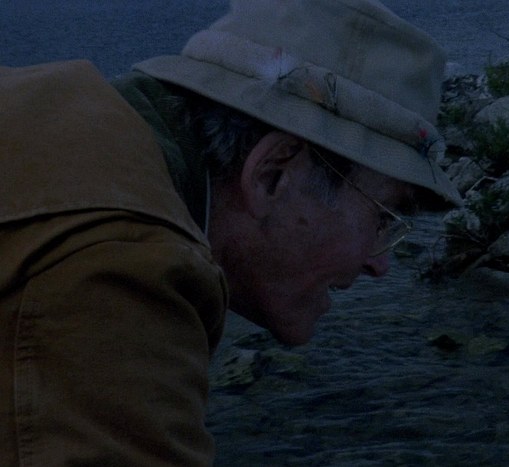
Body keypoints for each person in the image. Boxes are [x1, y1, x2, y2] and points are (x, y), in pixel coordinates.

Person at [0, 0, 463, 465]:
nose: (380, 265)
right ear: (273, 174)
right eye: (384, 217)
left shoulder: (60, 127)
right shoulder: (126, 266)